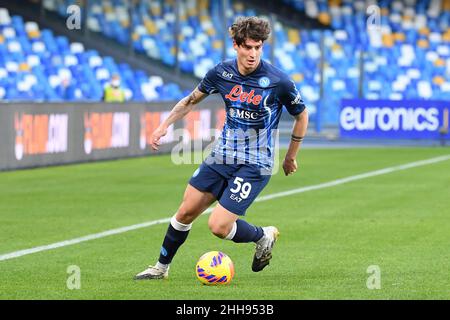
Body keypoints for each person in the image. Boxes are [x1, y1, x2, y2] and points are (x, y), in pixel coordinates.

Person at [135, 16, 308, 280]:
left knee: (218, 226)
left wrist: (290, 157)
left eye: (258, 47)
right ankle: (160, 268)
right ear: (236, 46)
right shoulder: (221, 73)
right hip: (222, 156)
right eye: (248, 47)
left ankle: (263, 235)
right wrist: (164, 126)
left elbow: (301, 115)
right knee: (185, 212)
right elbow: (191, 100)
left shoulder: (278, 81)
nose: (253, 54)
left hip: (255, 163)